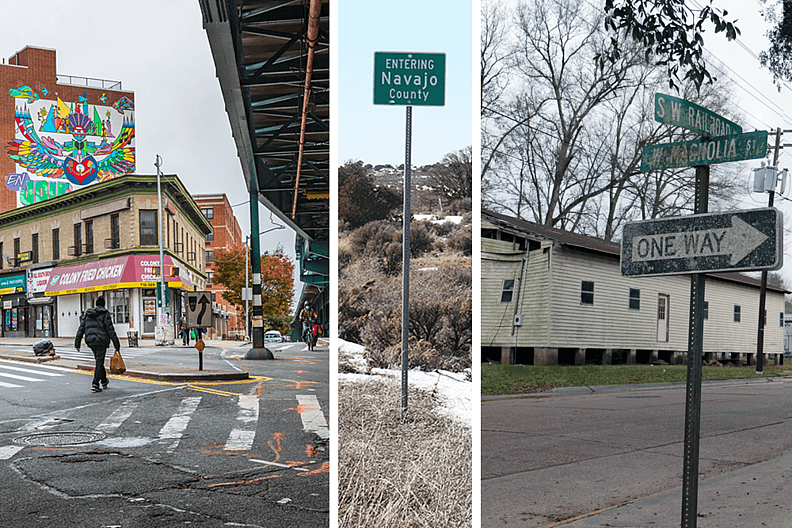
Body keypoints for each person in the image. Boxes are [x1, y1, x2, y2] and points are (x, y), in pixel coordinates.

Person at [75, 296, 121, 393]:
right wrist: (117, 344)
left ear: (95, 304)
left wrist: (77, 343)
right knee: (99, 361)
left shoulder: (88, 314)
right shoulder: (105, 314)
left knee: (99, 360)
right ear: (104, 304)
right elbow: (110, 330)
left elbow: (81, 328)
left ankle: (104, 381)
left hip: (90, 340)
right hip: (101, 340)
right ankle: (95, 383)